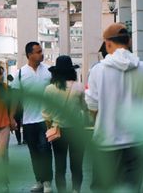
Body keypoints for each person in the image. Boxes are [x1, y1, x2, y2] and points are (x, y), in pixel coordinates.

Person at [86, 23, 143, 192]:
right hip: (137, 143)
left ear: (108, 43)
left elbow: (92, 106)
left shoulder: (98, 71)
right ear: (129, 41)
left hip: (106, 143)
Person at [12, 42, 53, 193]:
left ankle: (48, 181)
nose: (41, 54)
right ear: (29, 55)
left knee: (45, 150)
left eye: (41, 51)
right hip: (28, 121)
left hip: (45, 120)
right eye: (38, 52)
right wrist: (12, 118)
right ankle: (39, 181)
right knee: (34, 152)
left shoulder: (49, 71)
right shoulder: (20, 74)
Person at [42, 55, 86, 193]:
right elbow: (85, 108)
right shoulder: (79, 87)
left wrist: (50, 127)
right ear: (72, 70)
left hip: (57, 131)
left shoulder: (49, 89)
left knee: (60, 166)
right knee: (77, 165)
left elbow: (46, 114)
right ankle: (76, 190)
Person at [7, 74, 24, 145]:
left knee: (17, 124)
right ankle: (24, 139)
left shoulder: (10, 87)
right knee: (23, 124)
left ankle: (19, 140)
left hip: (15, 109)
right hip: (21, 108)